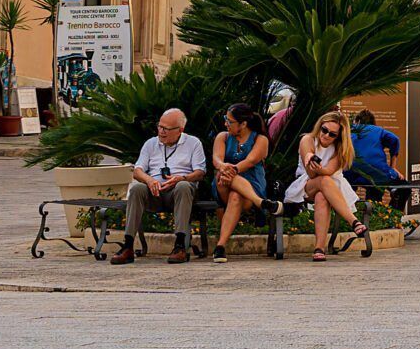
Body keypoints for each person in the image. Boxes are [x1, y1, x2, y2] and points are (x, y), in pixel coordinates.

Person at [113, 106, 208, 265]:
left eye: (166, 129)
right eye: (160, 126)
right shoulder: (151, 144)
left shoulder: (193, 143)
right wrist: (149, 180)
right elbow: (137, 171)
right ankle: (128, 246)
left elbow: (200, 172)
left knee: (184, 186)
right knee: (137, 188)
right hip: (154, 192)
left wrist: (181, 178)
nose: (161, 132)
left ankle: (180, 246)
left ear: (180, 130)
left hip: (179, 193)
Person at [285, 111, 366, 261]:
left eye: (332, 134)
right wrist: (309, 158)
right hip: (306, 184)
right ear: (320, 126)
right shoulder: (308, 139)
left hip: (334, 187)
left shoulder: (340, 149)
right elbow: (311, 174)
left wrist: (318, 166)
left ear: (339, 136)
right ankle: (353, 221)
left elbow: (328, 171)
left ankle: (319, 248)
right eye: (324, 130)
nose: (326, 135)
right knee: (323, 181)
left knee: (322, 194)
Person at [209, 104, 272, 261]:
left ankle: (220, 246)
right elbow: (216, 158)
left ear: (243, 124)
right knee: (223, 179)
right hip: (223, 185)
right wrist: (224, 166)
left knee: (236, 195)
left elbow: (250, 161)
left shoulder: (260, 139)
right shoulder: (222, 137)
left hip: (251, 186)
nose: (226, 124)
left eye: (229, 121)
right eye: (226, 120)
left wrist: (233, 170)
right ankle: (261, 203)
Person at [349, 107, 406, 203]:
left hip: (351, 171)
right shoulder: (378, 130)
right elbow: (395, 139)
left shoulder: (350, 129)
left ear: (357, 121)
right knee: (404, 188)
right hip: (376, 172)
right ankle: (391, 215)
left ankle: (349, 214)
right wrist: (393, 168)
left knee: (348, 194)